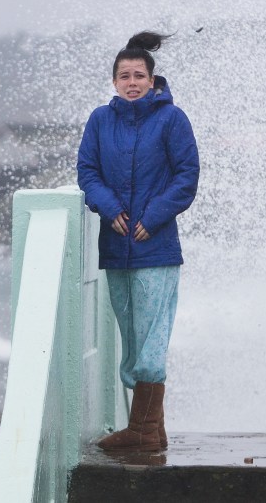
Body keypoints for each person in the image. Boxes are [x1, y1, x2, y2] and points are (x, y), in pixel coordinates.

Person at [76, 31, 200, 452]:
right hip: (116, 248)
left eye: (139, 75)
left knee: (151, 339)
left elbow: (187, 176)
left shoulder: (172, 119)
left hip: (156, 248)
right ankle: (153, 430)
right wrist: (110, 209)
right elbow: (88, 172)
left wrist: (152, 217)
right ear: (114, 82)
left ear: (152, 80)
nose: (132, 82)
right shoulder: (100, 120)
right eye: (124, 76)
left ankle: (142, 430)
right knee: (132, 337)